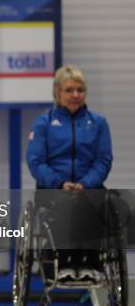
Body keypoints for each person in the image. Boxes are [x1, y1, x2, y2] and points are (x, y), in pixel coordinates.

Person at [27, 64, 113, 282]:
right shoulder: (44, 123)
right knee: (64, 204)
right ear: (57, 92)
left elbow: (103, 160)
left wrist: (86, 183)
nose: (75, 95)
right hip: (53, 188)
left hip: (89, 186)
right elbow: (36, 161)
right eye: (69, 90)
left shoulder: (98, 123)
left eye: (80, 90)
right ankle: (63, 262)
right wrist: (59, 183)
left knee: (96, 203)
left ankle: (91, 263)